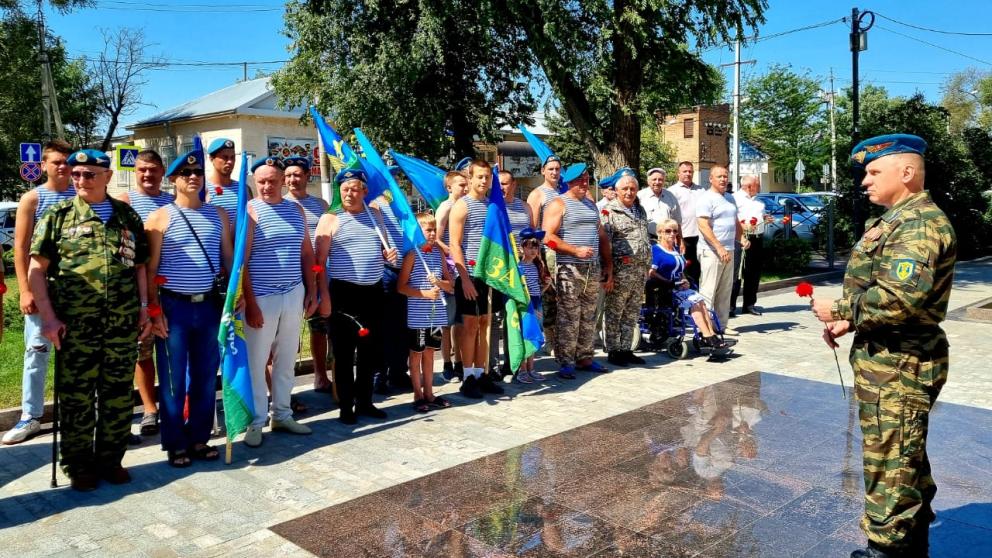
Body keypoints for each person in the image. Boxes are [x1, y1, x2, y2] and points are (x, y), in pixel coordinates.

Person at [811, 134, 956, 558]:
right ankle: (909, 542)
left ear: (906, 173)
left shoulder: (919, 225)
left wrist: (840, 306)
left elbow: (900, 298)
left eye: (874, 172)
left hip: (901, 364)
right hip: (889, 358)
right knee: (903, 453)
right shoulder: (898, 220)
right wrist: (848, 321)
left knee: (890, 463)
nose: (865, 181)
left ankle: (886, 549)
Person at [28, 149, 150, 491]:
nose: (80, 180)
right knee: (77, 398)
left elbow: (139, 266)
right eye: (76, 174)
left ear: (107, 177)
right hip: (76, 326)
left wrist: (143, 307)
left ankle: (111, 460)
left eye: (89, 174)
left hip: (121, 324)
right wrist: (49, 319)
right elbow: (37, 270)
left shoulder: (127, 216)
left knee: (116, 395)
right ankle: (79, 465)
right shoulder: (58, 216)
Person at [145, 149, 233, 467]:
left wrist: (236, 296)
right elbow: (150, 270)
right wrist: (153, 310)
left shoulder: (218, 215)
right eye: (185, 174)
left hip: (209, 306)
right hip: (174, 308)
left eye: (196, 174)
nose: (193, 178)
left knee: (206, 376)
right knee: (172, 380)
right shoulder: (159, 218)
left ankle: (198, 438)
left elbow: (227, 260)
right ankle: (175, 442)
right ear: (173, 180)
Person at [242, 157, 318, 447]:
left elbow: (307, 253)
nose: (266, 186)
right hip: (262, 296)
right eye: (261, 181)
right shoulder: (250, 212)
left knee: (286, 359)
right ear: (254, 182)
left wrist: (311, 290)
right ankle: (256, 420)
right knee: (257, 361)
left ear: (282, 181)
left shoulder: (295, 210)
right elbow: (244, 262)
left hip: (293, 293)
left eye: (272, 181)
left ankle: (282, 413)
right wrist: (250, 301)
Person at [3, 140, 75, 446]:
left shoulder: (83, 196)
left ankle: (76, 412)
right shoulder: (32, 199)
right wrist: (25, 291)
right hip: (41, 287)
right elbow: (20, 248)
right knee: (36, 352)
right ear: (43, 165)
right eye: (56, 162)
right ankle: (30, 416)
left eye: (66, 162)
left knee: (76, 355)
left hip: (76, 290)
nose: (62, 167)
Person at [316, 168, 397, 424]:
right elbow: (318, 264)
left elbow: (382, 247)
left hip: (373, 291)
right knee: (343, 353)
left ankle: (365, 402)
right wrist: (323, 297)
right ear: (340, 191)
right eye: (345, 189)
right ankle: (346, 406)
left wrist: (388, 256)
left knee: (369, 351)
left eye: (355, 189)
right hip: (343, 293)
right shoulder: (330, 219)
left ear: (364, 190)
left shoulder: (374, 215)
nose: (350, 194)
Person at [115, 149, 173, 437]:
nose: (148, 175)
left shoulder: (173, 201)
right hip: (138, 286)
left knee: (171, 348)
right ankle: (150, 409)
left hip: (170, 287)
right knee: (143, 349)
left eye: (153, 169)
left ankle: (174, 403)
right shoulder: (125, 203)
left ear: (162, 172)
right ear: (134, 172)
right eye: (142, 170)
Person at [542, 165, 613, 378]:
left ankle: (585, 357)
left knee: (589, 314)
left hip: (592, 267)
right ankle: (566, 361)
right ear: (570, 182)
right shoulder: (558, 204)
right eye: (581, 181)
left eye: (587, 180)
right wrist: (575, 250)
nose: (585, 184)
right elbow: (547, 237)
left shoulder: (591, 206)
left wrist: (608, 265)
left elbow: (601, 237)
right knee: (568, 316)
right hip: (569, 267)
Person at [448, 159, 504, 398]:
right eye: (479, 177)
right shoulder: (462, 206)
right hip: (470, 274)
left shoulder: (493, 205)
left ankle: (482, 373)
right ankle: (468, 376)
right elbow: (454, 244)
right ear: (469, 178)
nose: (483, 181)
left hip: (490, 275)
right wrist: (466, 279)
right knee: (470, 326)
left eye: (487, 177)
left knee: (486, 325)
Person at [283, 156, 332, 394]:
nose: (292, 179)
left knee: (320, 327)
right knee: (288, 334)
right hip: (292, 273)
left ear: (307, 177)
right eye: (288, 175)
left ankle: (321, 376)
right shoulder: (280, 205)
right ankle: (285, 389)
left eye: (297, 175)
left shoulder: (321, 205)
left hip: (319, 272)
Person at [397, 211, 454, 413]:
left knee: (430, 353)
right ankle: (417, 394)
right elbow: (401, 287)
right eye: (427, 230)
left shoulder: (438, 254)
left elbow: (450, 285)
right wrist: (423, 293)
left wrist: (439, 283)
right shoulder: (412, 255)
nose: (431, 234)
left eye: (433, 230)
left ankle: (429, 392)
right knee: (416, 354)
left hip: (436, 314)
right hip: (417, 314)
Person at [650, 219, 728, 350]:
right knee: (695, 304)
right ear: (660, 233)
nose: (672, 234)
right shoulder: (656, 250)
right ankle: (707, 336)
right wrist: (668, 282)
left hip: (679, 287)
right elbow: (651, 272)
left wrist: (684, 280)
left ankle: (711, 335)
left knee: (702, 302)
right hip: (666, 289)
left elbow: (680, 271)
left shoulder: (675, 249)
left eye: (675, 231)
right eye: (668, 231)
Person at [601, 173, 651, 366]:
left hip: (639, 271)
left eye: (632, 189)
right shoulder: (609, 212)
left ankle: (627, 348)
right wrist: (609, 272)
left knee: (632, 311)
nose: (629, 192)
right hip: (620, 270)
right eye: (625, 189)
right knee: (615, 311)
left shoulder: (640, 210)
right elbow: (606, 244)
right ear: (616, 191)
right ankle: (614, 350)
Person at [490, 169, 534, 377]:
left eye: (506, 183)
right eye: (498, 184)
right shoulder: (493, 207)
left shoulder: (525, 207)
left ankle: (513, 361)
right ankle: (493, 364)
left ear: (514, 185)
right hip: (501, 270)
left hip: (522, 270)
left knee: (517, 315)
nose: (502, 187)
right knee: (498, 318)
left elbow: (533, 237)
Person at [371, 185, 413, 395]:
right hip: (385, 272)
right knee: (383, 327)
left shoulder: (402, 204)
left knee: (403, 325)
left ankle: (399, 371)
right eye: (388, 179)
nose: (393, 183)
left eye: (396, 178)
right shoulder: (373, 204)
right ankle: (379, 373)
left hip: (405, 271)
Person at [696, 166, 742, 332]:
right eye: (719, 177)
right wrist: (718, 247)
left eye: (725, 176)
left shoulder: (730, 198)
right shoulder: (706, 198)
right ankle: (705, 327)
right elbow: (702, 224)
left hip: (729, 249)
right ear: (711, 179)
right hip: (712, 251)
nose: (723, 179)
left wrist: (741, 237)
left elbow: (735, 220)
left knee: (725, 290)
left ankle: (721, 325)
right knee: (709, 290)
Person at [526, 155, 563, 353]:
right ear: (543, 171)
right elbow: (532, 227)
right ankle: (550, 340)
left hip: (563, 251)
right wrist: (537, 256)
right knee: (550, 296)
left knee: (563, 296)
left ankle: (562, 338)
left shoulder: (564, 192)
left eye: (557, 169)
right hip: (546, 251)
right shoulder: (537, 194)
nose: (555, 172)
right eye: (551, 169)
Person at [436, 170, 467, 381]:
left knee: (460, 322)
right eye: (460, 185)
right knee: (447, 323)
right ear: (449, 188)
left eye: (466, 185)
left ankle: (459, 362)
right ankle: (447, 362)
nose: (464, 188)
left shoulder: (465, 206)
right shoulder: (445, 207)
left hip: (464, 268)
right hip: (449, 268)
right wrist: (451, 253)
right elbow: (436, 239)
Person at [730, 175, 770, 317]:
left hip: (757, 238)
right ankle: (730, 306)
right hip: (739, 238)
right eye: (757, 185)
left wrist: (765, 219)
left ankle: (749, 304)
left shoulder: (759, 201)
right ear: (749, 186)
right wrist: (743, 227)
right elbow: (732, 219)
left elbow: (761, 216)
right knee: (737, 272)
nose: (759, 187)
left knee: (753, 272)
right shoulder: (734, 199)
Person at [515, 228, 550, 383]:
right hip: (525, 305)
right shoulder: (519, 267)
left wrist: (546, 287)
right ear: (522, 247)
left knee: (534, 335)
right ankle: (522, 369)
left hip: (536, 302)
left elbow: (537, 289)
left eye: (536, 246)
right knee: (525, 336)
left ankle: (531, 368)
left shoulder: (536, 267)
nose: (534, 250)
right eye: (530, 246)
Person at [668, 161, 703, 284]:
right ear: (678, 173)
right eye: (685, 171)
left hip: (701, 235)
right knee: (686, 269)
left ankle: (698, 296)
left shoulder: (701, 190)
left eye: (690, 171)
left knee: (699, 269)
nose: (688, 174)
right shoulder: (672, 191)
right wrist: (678, 238)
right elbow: (672, 216)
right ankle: (688, 297)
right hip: (684, 236)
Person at [205, 138, 243, 232]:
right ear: (211, 159)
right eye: (225, 157)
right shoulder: (203, 189)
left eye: (232, 157)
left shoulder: (244, 189)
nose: (230, 162)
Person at [637, 167, 681, 234]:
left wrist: (680, 240)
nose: (657, 182)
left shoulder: (670, 196)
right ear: (648, 181)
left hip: (667, 238)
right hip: (647, 238)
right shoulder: (640, 196)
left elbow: (677, 222)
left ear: (664, 181)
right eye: (654, 179)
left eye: (660, 179)